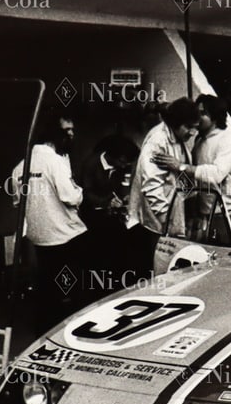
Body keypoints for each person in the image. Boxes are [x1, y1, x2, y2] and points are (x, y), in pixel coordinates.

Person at [11, 114, 89, 322]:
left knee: (48, 286)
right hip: (66, 236)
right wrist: (79, 190)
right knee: (74, 289)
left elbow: (18, 204)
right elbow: (71, 197)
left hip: (41, 238)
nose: (72, 135)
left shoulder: (20, 166)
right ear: (55, 134)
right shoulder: (54, 162)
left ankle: (45, 329)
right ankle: (75, 327)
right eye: (67, 131)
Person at [154, 95, 231, 251]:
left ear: (215, 116)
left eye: (202, 113)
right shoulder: (199, 140)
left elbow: (217, 174)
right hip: (208, 213)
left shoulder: (228, 138)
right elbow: (196, 177)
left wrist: (180, 166)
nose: (197, 118)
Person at [128, 97, 200, 279]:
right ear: (175, 123)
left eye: (195, 127)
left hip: (174, 220)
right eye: (188, 126)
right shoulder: (158, 141)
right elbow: (151, 186)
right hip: (159, 224)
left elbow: (180, 174)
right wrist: (166, 222)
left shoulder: (178, 137)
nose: (192, 132)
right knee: (160, 277)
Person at [79, 134, 138, 285]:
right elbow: (86, 194)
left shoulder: (124, 165)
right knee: (100, 254)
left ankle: (119, 282)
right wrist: (107, 202)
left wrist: (124, 197)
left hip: (112, 214)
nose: (125, 166)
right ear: (112, 156)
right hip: (92, 216)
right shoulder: (90, 164)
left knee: (122, 248)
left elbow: (124, 184)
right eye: (123, 161)